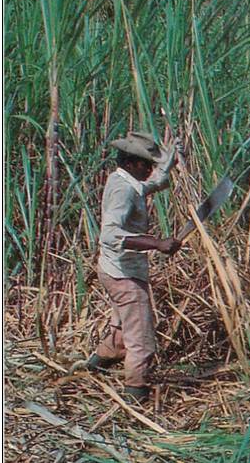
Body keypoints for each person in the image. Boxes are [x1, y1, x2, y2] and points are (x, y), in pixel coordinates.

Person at [76, 131, 182, 401]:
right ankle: (135, 391)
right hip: (123, 275)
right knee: (142, 338)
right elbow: (111, 235)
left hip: (114, 269)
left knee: (124, 325)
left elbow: (150, 185)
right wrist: (157, 244)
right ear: (132, 163)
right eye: (146, 164)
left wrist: (166, 166)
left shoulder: (123, 179)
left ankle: (97, 364)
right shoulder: (123, 189)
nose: (150, 169)